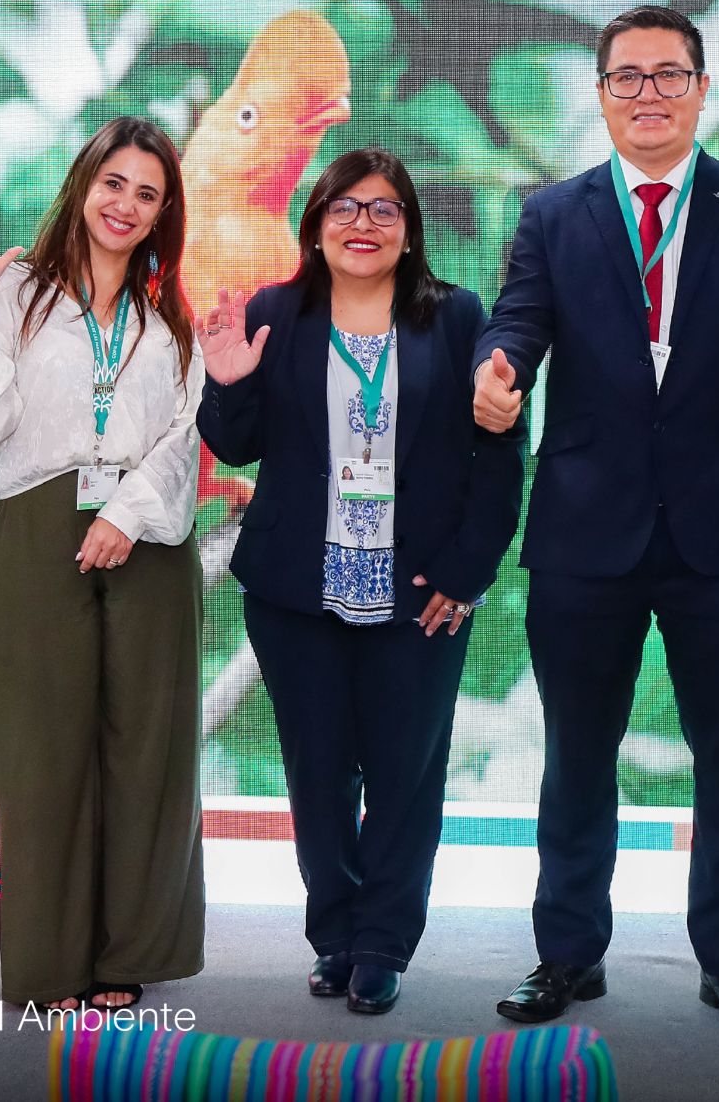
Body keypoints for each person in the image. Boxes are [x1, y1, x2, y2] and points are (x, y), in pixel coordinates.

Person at [473, 4, 719, 1040]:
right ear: (599, 96)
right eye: (626, 77)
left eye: (667, 75)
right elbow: (515, 324)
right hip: (585, 530)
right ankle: (564, 955)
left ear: (699, 89)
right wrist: (493, 374)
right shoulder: (552, 214)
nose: (647, 94)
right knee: (576, 756)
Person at [197, 147, 523, 1016]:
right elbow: (237, 446)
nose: (363, 225)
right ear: (315, 225)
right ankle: (334, 933)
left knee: (406, 775)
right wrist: (225, 383)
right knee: (318, 773)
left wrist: (468, 570)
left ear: (410, 231)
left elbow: (498, 453)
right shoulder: (275, 311)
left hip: (420, 589)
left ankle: (383, 941)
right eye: (344, 208)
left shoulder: (457, 319)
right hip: (296, 587)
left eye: (383, 210)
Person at [0, 117, 207, 1013]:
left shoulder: (172, 316)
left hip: (149, 536)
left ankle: (128, 954)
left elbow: (183, 434)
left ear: (165, 213)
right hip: (35, 531)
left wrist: (126, 514)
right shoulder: (13, 291)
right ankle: (49, 966)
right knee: (41, 759)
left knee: (147, 755)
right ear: (83, 185)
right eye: (114, 183)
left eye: (148, 193)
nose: (126, 205)